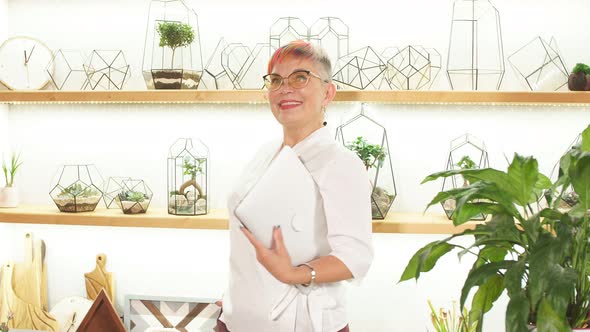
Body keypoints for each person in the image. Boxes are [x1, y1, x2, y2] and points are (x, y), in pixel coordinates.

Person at [217, 40, 373, 332]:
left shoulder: (341, 163)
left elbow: (355, 257)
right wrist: (233, 298)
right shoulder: (265, 153)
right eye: (275, 80)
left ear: (328, 92)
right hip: (239, 318)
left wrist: (293, 274)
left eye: (300, 77)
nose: (285, 88)